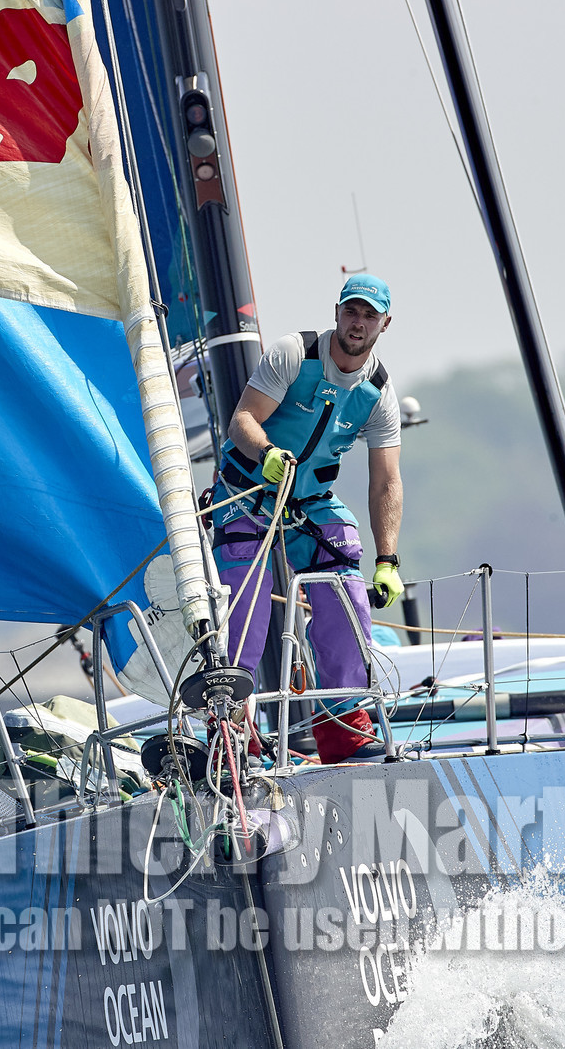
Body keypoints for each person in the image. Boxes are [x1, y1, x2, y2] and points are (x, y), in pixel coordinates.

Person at [210, 273, 404, 764]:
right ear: (337, 312)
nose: (358, 322)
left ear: (385, 324)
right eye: (351, 311)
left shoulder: (378, 392)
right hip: (247, 493)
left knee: (346, 586)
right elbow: (242, 420)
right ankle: (230, 734)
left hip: (308, 503)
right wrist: (267, 453)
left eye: (370, 315)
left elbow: (386, 482)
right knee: (245, 611)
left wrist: (388, 560)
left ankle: (343, 729)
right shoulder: (294, 354)